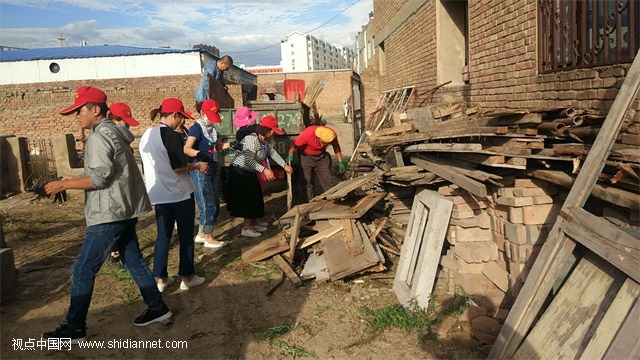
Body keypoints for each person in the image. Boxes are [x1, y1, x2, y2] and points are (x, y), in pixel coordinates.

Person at [42, 86, 172, 343]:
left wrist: (63, 185)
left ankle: (75, 327)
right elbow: (107, 173)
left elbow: (100, 179)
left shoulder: (99, 136)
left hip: (109, 212)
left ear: (95, 110)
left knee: (82, 268)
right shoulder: (113, 132)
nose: (77, 115)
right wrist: (75, 178)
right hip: (122, 209)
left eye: (79, 110)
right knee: (133, 260)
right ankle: (158, 308)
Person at [139, 98, 208, 293]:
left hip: (159, 194)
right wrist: (197, 165)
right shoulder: (170, 135)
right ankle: (187, 276)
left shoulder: (146, 134)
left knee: (163, 237)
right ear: (175, 115)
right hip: (179, 194)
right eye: (182, 118)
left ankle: (160, 278)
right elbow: (178, 167)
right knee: (185, 236)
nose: (183, 123)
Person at [228, 116, 292, 237]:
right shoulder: (251, 139)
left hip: (249, 172)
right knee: (249, 199)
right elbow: (248, 160)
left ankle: (253, 222)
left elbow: (273, 153)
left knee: (256, 197)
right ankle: (246, 227)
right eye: (272, 130)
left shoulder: (263, 142)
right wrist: (265, 170)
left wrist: (284, 165)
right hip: (240, 171)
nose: (273, 133)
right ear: (265, 129)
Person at [183, 99, 229, 249]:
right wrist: (199, 155)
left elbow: (215, 147)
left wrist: (229, 145)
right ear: (202, 113)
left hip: (212, 167)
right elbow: (187, 148)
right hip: (201, 170)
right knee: (206, 202)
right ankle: (209, 236)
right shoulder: (196, 128)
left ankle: (201, 233)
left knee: (215, 201)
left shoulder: (211, 129)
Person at [107, 102, 140, 263]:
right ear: (115, 120)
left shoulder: (123, 140)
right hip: (116, 193)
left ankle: (122, 252)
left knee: (128, 226)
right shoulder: (110, 141)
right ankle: (114, 250)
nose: (127, 124)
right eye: (124, 121)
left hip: (126, 192)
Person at [287, 125, 345, 202]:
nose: (322, 145)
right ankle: (309, 202)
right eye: (322, 142)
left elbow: (336, 146)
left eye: (326, 144)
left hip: (321, 157)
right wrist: (290, 155)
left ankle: (332, 200)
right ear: (318, 138)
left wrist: (340, 162)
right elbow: (294, 143)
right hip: (306, 156)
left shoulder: (331, 135)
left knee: (327, 179)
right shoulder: (308, 134)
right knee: (307, 181)